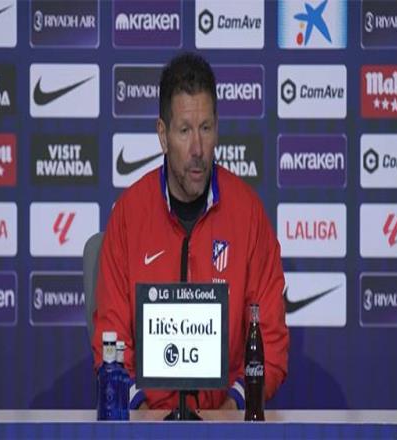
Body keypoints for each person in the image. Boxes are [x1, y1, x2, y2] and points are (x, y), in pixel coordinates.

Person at [93, 52, 289, 411]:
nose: (198, 149)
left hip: (226, 421)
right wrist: (143, 416)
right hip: (147, 423)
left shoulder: (248, 214)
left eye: (206, 128)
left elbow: (270, 341)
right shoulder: (128, 215)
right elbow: (111, 338)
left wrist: (231, 411)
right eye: (184, 131)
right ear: (163, 135)